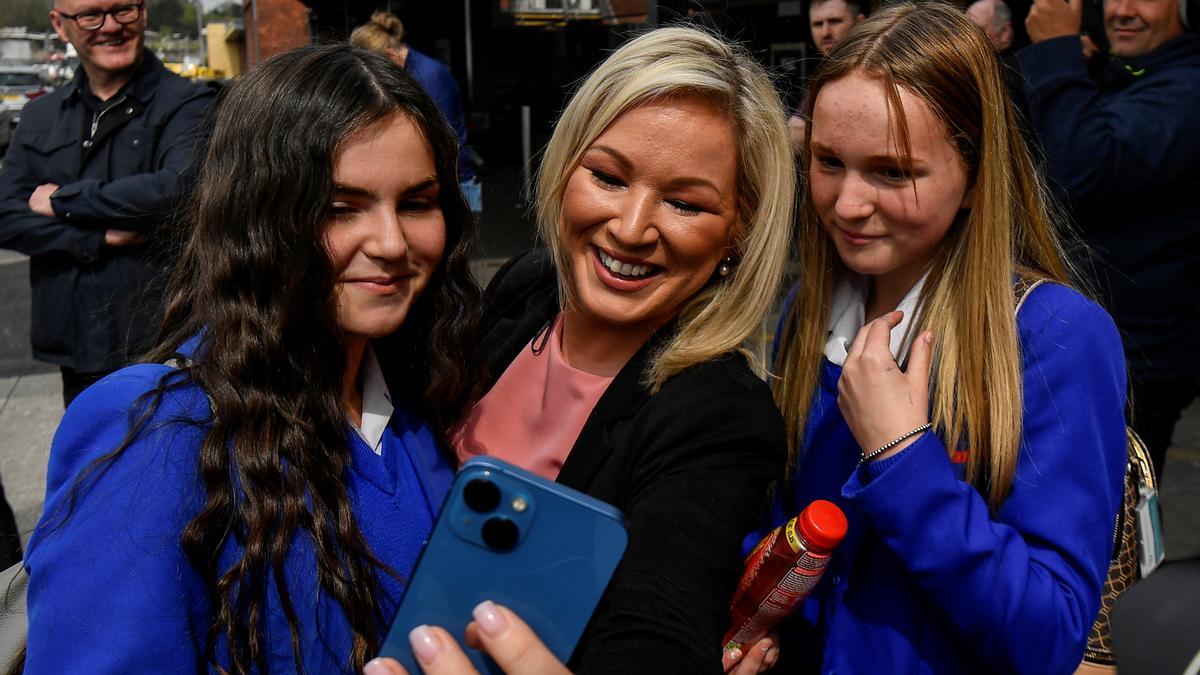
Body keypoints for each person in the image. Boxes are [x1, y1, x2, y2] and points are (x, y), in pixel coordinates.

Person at [22, 45, 479, 673]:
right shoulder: (158, 430)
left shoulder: (417, 403)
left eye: (417, 203)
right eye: (339, 209)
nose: (392, 243)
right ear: (257, 218)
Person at [767, 4, 1127, 673]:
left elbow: (1052, 634)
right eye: (827, 161)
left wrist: (904, 458)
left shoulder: (1055, 338)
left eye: (893, 172)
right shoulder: (808, 309)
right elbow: (792, 527)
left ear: (975, 176)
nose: (847, 204)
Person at [452, 26, 794, 674]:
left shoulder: (718, 414)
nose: (632, 229)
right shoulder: (526, 287)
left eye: (684, 202)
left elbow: (660, 625)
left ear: (738, 229)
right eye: (608, 177)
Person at [0, 0, 215, 406]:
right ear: (60, 26)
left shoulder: (189, 103)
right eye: (91, 15)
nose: (110, 26)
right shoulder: (39, 115)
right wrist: (99, 237)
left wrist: (63, 198)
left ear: (144, 12)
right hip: (79, 345)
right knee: (91, 467)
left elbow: (176, 190)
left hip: (166, 341)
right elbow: (6, 215)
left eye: (123, 10)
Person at [1022, 0, 1200, 480]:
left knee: (1112, 531)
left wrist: (1057, 52)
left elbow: (1081, 171)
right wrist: (1089, 67)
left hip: (1137, 363)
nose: (1122, 10)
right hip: (1112, 346)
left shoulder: (1189, 88)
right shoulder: (1150, 73)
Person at [351, 10, 482, 216]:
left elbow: (444, 140)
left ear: (391, 56)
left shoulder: (430, 76)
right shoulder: (399, 72)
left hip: (453, 178)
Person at [788, 0, 865, 151]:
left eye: (835, 21)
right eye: (817, 24)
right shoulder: (823, 74)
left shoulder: (871, 71)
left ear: (860, 22)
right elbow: (795, 131)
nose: (825, 32)